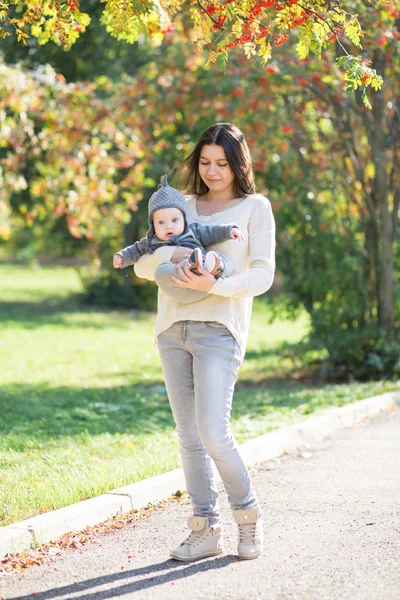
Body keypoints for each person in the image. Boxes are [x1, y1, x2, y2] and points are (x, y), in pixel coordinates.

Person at [134, 122, 276, 561]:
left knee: (214, 431)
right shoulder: (182, 205)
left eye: (223, 163)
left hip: (220, 330)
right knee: (189, 436)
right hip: (173, 328)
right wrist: (176, 256)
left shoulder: (255, 207)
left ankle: (248, 517)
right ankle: (204, 528)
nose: (213, 171)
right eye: (205, 162)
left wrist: (214, 284)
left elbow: (262, 275)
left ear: (239, 164)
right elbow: (142, 263)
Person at [113, 175, 245, 296]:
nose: (168, 226)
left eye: (174, 220)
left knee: (227, 260)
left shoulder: (193, 231)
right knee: (162, 272)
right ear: (153, 225)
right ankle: (190, 265)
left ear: (184, 219)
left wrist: (229, 230)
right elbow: (134, 250)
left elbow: (212, 232)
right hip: (179, 280)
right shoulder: (151, 242)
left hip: (206, 278)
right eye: (161, 222)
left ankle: (216, 265)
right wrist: (122, 257)